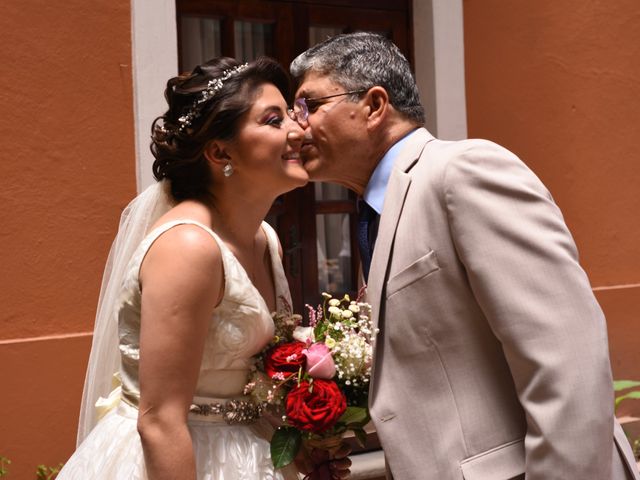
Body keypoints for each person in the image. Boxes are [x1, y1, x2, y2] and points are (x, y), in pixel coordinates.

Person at [289, 32, 640, 480]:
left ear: (374, 106)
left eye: (310, 106)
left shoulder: (463, 171)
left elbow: (566, 360)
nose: (297, 127)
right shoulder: (372, 213)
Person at [58, 56, 311, 480]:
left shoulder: (265, 238)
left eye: (291, 114)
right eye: (272, 120)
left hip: (250, 452)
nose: (298, 130)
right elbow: (159, 423)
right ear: (219, 151)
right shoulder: (188, 247)